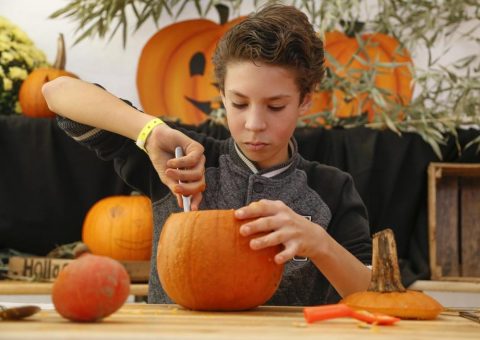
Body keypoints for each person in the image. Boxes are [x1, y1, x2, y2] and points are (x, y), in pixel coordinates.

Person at [42, 3, 372, 305]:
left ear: (305, 99)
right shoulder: (179, 161)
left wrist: (319, 243)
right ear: (222, 96)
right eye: (240, 103)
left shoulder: (332, 189)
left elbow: (374, 294)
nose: (255, 124)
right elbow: (56, 92)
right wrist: (149, 131)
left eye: (275, 106)